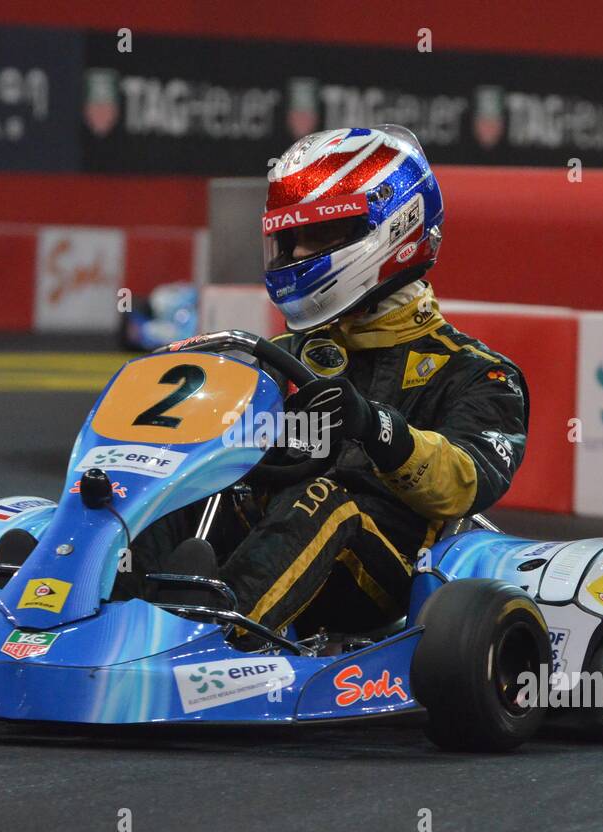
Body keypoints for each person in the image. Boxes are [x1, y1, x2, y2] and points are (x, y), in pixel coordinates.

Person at [127, 125, 529, 639]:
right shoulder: (286, 358)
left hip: (391, 578)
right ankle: (93, 620)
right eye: (291, 238)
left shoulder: (479, 373)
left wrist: (378, 427)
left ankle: (205, 641)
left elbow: (467, 481)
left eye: (318, 236)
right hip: (273, 548)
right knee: (173, 483)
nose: (296, 256)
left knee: (326, 498)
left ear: (394, 227)